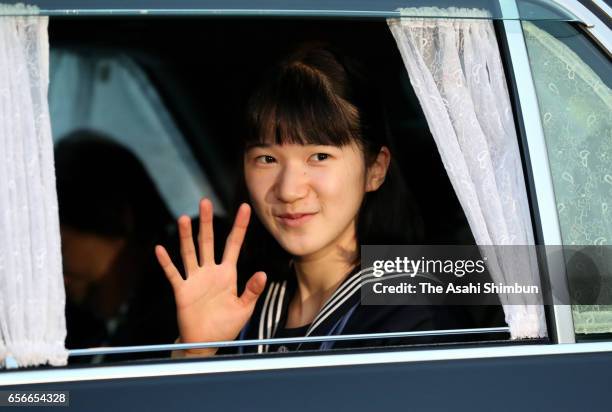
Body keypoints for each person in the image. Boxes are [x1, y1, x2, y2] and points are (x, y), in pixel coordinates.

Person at [155, 43, 475, 357]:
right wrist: (195, 352)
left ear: (375, 169)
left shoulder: (414, 319)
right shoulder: (239, 308)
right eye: (267, 159)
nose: (288, 190)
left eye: (319, 156)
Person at [56, 131, 178, 362]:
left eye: (60, 249)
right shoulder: (80, 331)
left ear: (118, 216)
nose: (56, 277)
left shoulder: (178, 314)